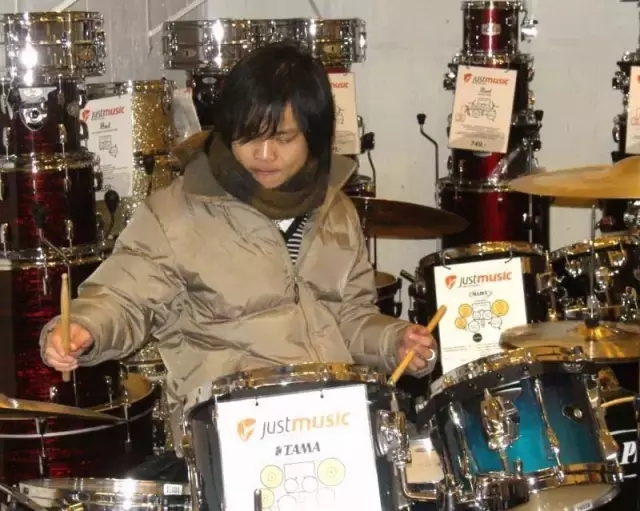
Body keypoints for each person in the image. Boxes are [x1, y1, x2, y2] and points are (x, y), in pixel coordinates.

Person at [40, 43, 438, 485]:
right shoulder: (174, 214)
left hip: (332, 425)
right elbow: (124, 296)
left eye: (283, 138)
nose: (263, 154)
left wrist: (394, 341)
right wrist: (86, 328)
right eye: (248, 136)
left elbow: (351, 316)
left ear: (315, 135)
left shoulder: (336, 211)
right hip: (235, 436)